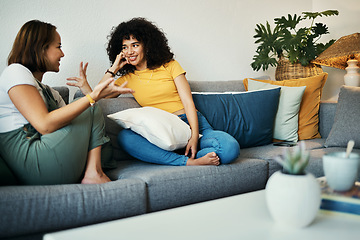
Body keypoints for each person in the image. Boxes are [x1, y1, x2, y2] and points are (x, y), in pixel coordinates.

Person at [0, 20, 133, 185]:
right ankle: (94, 173)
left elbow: (83, 125)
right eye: (58, 47)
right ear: (40, 48)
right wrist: (92, 97)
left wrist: (107, 77)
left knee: (90, 108)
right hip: (32, 159)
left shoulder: (51, 93)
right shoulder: (15, 71)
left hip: (49, 156)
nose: (62, 54)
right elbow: (44, 124)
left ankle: (94, 171)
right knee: (89, 106)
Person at [100, 17, 240, 166]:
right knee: (125, 138)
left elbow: (187, 102)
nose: (129, 51)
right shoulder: (127, 79)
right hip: (163, 132)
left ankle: (194, 153)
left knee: (230, 148)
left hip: (193, 124)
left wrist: (193, 136)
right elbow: (98, 94)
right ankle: (187, 161)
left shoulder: (170, 66)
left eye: (135, 45)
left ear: (146, 45)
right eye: (124, 47)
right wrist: (113, 68)